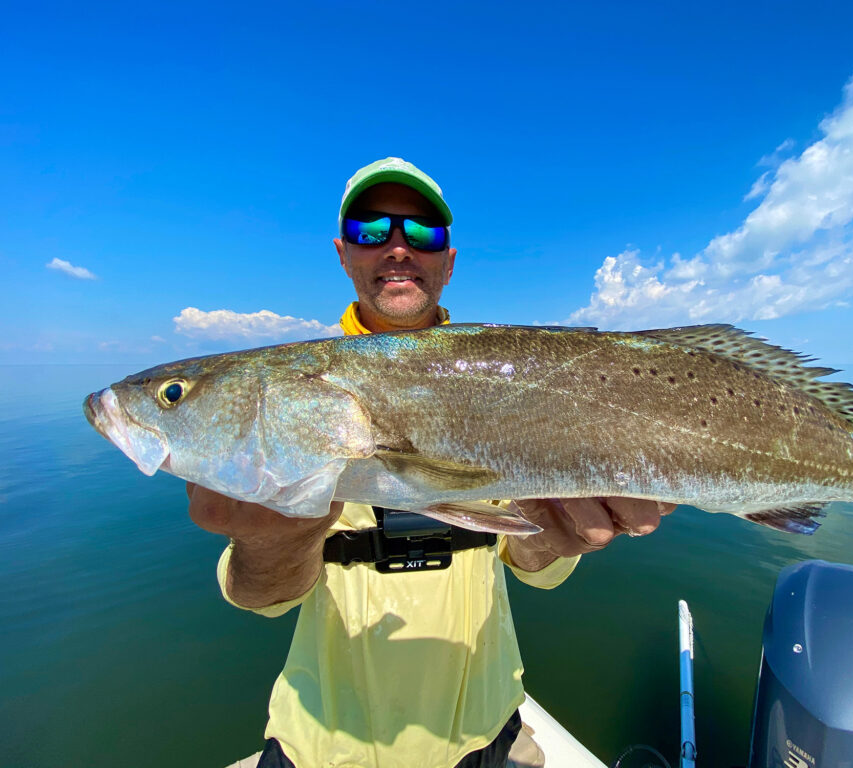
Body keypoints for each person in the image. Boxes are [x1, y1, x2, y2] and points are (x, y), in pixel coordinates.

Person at [188, 157, 672, 768]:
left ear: (448, 260)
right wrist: (270, 542)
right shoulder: (293, 392)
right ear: (343, 253)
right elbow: (262, 597)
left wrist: (560, 536)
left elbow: (531, 562)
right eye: (371, 231)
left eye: (422, 233)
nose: (397, 247)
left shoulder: (507, 380)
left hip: (485, 737)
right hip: (322, 748)